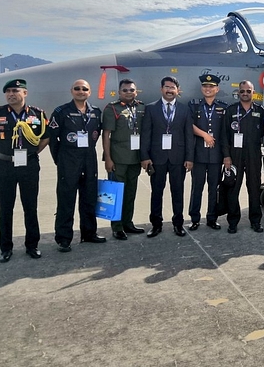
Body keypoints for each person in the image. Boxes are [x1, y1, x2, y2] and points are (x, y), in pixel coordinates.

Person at [0, 79, 49, 262]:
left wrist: (32, 153)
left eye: (15, 90)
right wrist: (2, 154)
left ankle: (32, 245)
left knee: (30, 207)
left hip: (29, 166)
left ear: (25, 93)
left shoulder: (37, 114)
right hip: (5, 166)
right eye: (7, 91)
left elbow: (45, 138)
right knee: (5, 209)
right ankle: (6, 248)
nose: (10, 94)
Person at [49, 79, 105, 252]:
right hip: (69, 159)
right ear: (71, 91)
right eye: (77, 88)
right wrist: (60, 160)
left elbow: (98, 134)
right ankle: (64, 238)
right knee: (66, 199)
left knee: (89, 197)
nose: (81, 91)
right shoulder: (61, 111)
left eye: (85, 89)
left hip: (89, 158)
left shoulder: (95, 111)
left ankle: (89, 233)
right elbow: (52, 139)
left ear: (90, 92)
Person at [140, 76, 194, 238]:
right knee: (156, 192)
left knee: (178, 192)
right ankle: (156, 225)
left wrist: (189, 158)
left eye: (173, 87)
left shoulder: (185, 110)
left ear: (178, 90)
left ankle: (178, 224)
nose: (169, 90)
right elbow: (146, 135)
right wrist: (145, 156)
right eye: (167, 87)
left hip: (178, 158)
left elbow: (188, 136)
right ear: (161, 89)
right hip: (157, 158)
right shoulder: (151, 109)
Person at [102, 79, 146, 240]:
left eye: (131, 90)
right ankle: (117, 227)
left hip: (135, 158)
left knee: (130, 193)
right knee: (116, 194)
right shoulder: (112, 108)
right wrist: (108, 158)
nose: (129, 93)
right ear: (119, 92)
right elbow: (106, 134)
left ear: (136, 92)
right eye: (125, 90)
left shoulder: (141, 107)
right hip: (118, 158)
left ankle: (128, 223)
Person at [222, 80, 264, 233]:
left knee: (254, 188)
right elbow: (224, 136)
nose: (245, 93)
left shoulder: (260, 111)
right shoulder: (231, 110)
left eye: (249, 91)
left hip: (253, 154)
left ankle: (255, 221)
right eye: (242, 91)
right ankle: (233, 221)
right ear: (238, 93)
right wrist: (226, 157)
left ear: (253, 92)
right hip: (235, 155)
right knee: (233, 189)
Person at [188, 74, 229, 231]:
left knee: (214, 188)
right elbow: (189, 125)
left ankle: (212, 217)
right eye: (205, 86)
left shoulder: (223, 107)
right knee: (196, 187)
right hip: (198, 155)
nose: (208, 89)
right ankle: (194, 218)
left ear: (217, 89)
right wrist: (204, 134)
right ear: (201, 88)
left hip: (215, 155)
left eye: (211, 87)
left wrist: (226, 155)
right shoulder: (194, 105)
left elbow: (225, 134)